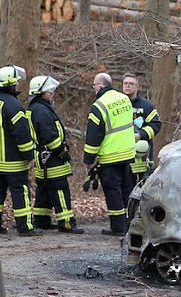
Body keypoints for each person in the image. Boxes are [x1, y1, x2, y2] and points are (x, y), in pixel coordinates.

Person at [0, 64, 40, 236]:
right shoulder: (14, 106)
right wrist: (30, 156)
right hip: (13, 163)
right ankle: (25, 227)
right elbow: (22, 136)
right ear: (12, 84)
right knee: (20, 193)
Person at [28, 75, 84, 234]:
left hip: (43, 158)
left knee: (44, 190)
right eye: (49, 91)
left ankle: (41, 220)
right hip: (52, 158)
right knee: (59, 188)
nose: (52, 93)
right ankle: (66, 223)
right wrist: (63, 153)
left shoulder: (37, 108)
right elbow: (50, 137)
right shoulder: (41, 111)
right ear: (40, 92)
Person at [84, 72, 136, 236]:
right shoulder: (124, 99)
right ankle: (130, 223)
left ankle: (118, 226)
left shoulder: (99, 106)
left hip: (110, 156)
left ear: (100, 86)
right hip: (128, 154)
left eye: (94, 86)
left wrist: (88, 159)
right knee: (127, 190)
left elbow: (94, 136)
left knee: (113, 192)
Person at [121, 73, 161, 182]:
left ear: (138, 87)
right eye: (125, 83)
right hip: (122, 153)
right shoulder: (117, 105)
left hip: (142, 155)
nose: (127, 86)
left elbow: (156, 125)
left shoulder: (147, 106)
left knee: (144, 186)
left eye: (131, 83)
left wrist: (140, 135)